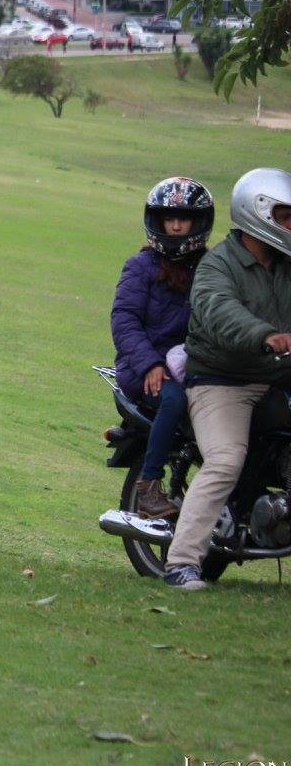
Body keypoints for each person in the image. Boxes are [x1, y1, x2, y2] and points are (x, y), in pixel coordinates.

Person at [164, 168, 291, 590]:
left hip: (278, 376)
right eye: (286, 216)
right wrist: (265, 335)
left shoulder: (286, 265)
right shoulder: (218, 265)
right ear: (259, 213)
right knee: (225, 461)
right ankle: (181, 563)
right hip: (223, 380)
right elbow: (220, 311)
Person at [111, 178, 214, 520]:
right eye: (169, 218)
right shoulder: (140, 266)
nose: (176, 226)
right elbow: (124, 320)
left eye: (183, 218)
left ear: (198, 222)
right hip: (143, 368)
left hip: (195, 364)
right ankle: (149, 485)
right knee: (173, 399)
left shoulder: (210, 269)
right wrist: (150, 364)